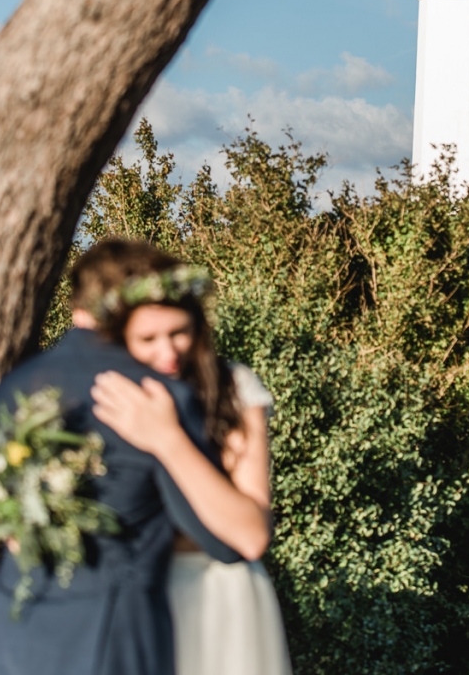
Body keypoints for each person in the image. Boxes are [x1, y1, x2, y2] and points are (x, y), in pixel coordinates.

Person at [0, 240, 253, 675]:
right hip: (111, 633)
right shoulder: (157, 394)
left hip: (12, 624)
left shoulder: (19, 382)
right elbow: (224, 542)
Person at [85, 248, 293, 675]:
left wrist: (167, 439)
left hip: (219, 596)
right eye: (148, 339)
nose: (168, 351)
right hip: (125, 599)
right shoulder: (103, 396)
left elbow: (250, 534)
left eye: (179, 332)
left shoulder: (233, 387)